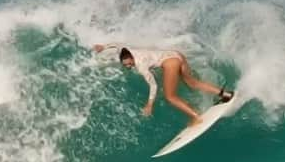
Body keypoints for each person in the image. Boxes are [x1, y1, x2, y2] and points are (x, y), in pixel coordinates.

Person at [93, 43, 234, 126]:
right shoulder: (126, 50)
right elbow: (116, 45)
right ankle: (226, 94)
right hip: (176, 54)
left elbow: (153, 86)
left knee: (170, 97)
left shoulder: (141, 65)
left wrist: (150, 104)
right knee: (193, 83)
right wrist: (103, 47)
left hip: (170, 63)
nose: (129, 66)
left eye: (129, 64)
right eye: (126, 66)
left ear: (130, 57)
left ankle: (196, 117)